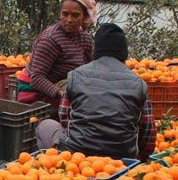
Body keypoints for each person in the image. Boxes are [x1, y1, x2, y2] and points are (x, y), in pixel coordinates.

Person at [35, 23, 154, 161]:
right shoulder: (139, 84)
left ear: (95, 51)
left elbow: (64, 116)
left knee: (44, 125)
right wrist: (141, 158)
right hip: (121, 156)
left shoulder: (76, 75)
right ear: (123, 54)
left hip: (78, 153)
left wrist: (85, 133)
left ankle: (54, 168)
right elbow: (148, 131)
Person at [17, 0, 95, 110]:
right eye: (65, 14)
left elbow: (91, 68)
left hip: (66, 88)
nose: (69, 20)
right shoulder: (50, 40)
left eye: (75, 15)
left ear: (84, 16)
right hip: (37, 95)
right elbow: (36, 78)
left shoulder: (85, 38)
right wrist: (61, 94)